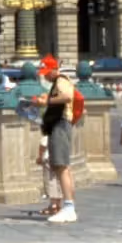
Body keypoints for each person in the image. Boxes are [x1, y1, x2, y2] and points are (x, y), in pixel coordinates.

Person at [33, 62, 77, 224]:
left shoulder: (61, 81)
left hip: (60, 124)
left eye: (46, 72)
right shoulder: (57, 82)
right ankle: (69, 205)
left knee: (61, 166)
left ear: (53, 70)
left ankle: (68, 207)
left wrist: (48, 101)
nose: (44, 76)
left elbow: (67, 96)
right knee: (62, 166)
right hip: (60, 125)